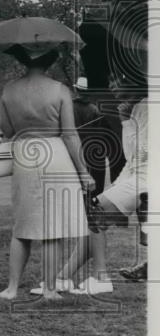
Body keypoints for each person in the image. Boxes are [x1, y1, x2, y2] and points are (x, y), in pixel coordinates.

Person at [0, 49, 92, 300]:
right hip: (55, 155)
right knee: (53, 227)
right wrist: (84, 173)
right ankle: (48, 288)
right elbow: (69, 133)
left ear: (22, 59)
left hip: (25, 154)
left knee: (22, 225)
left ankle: (12, 288)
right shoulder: (59, 90)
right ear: (51, 60)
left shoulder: (9, 89)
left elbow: (6, 129)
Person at [55, 75, 147, 295]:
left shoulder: (149, 107)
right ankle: (61, 279)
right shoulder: (135, 109)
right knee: (96, 219)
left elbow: (145, 157)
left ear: (133, 82)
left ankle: (100, 277)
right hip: (137, 176)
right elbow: (132, 155)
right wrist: (125, 119)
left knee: (95, 215)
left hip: (147, 179)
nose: (111, 86)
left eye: (117, 81)